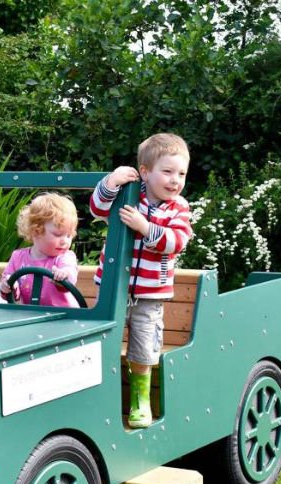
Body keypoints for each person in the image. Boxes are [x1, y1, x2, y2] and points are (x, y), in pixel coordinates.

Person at [90, 133, 194, 428]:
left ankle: (140, 400)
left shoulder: (178, 208)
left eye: (181, 173)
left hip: (150, 294)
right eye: (168, 171)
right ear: (146, 172)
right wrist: (111, 182)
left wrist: (145, 227)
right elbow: (97, 209)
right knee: (103, 341)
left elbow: (177, 241)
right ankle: (99, 398)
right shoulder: (128, 194)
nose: (175, 180)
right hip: (113, 288)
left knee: (144, 346)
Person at [0, 193, 80, 307]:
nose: (65, 241)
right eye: (58, 234)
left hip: (64, 318)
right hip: (30, 316)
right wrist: (7, 286)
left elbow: (70, 274)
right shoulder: (17, 257)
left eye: (69, 235)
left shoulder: (64, 257)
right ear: (36, 232)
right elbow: (7, 289)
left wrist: (64, 274)